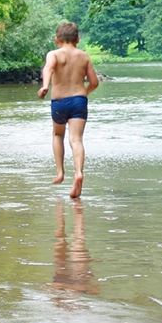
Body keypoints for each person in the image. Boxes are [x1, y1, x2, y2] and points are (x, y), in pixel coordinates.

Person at [39, 21, 100, 199]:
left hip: (59, 102)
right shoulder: (84, 56)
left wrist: (44, 86)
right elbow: (94, 82)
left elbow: (48, 68)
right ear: (78, 39)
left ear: (56, 39)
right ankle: (78, 172)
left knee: (58, 135)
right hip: (79, 101)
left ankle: (60, 172)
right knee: (77, 140)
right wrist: (83, 94)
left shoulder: (54, 54)